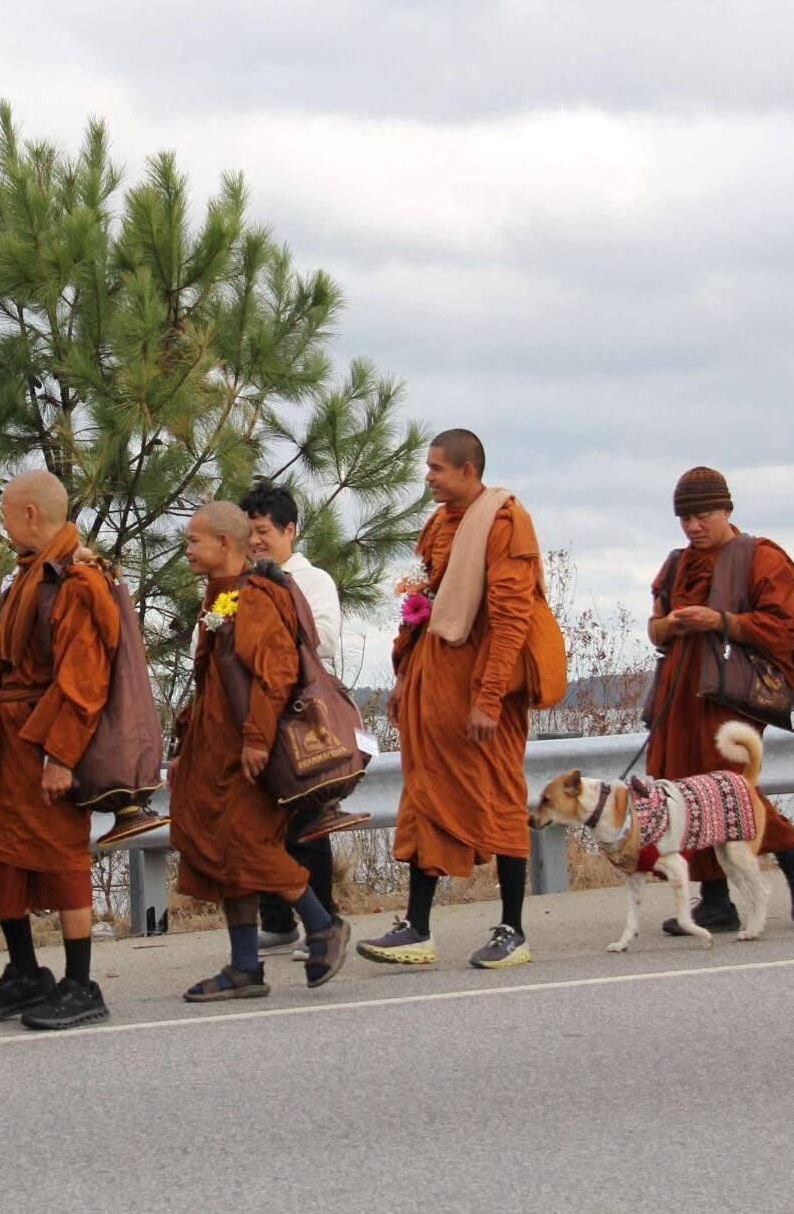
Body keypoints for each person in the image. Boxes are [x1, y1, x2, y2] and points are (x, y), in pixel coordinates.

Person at [359, 429, 563, 970]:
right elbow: (422, 605)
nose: (428, 476)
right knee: (424, 799)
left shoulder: (503, 521)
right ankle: (417, 929)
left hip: (479, 691)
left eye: (437, 468)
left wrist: (489, 698)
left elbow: (511, 616)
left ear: (468, 471)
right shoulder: (438, 523)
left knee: (496, 797)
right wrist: (405, 675)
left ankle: (513, 930)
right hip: (434, 683)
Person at [0, 471, 116, 1031]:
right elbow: (0, 653)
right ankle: (24, 971)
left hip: (43, 740)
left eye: (6, 514)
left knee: (63, 857)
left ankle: (81, 984)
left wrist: (61, 756)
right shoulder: (28, 578)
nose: (1, 525)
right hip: (5, 740)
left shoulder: (74, 582)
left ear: (31, 515)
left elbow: (83, 682)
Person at [170, 501, 352, 1001]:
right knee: (225, 852)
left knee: (249, 847)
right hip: (215, 752)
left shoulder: (254, 598)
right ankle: (245, 966)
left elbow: (275, 676)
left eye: (193, 541)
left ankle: (322, 927)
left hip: (247, 755)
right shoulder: (221, 596)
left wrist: (254, 740)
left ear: (223, 544)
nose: (186, 549)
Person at [642, 467, 794, 936]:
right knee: (681, 788)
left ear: (727, 510)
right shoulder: (677, 563)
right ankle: (716, 899)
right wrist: (674, 626)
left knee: (728, 788)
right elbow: (655, 626)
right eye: (685, 517)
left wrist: (721, 620)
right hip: (679, 691)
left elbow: (785, 626)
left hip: (730, 694)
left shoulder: (760, 558)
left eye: (702, 515)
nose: (693, 526)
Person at [241, 483, 344, 960]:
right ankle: (277, 922)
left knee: (305, 822)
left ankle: (324, 917)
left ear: (289, 530)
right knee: (263, 823)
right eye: (249, 532)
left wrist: (281, 603)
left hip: (301, 718)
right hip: (258, 712)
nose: (256, 541)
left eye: (263, 531)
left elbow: (324, 640)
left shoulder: (311, 579)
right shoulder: (243, 580)